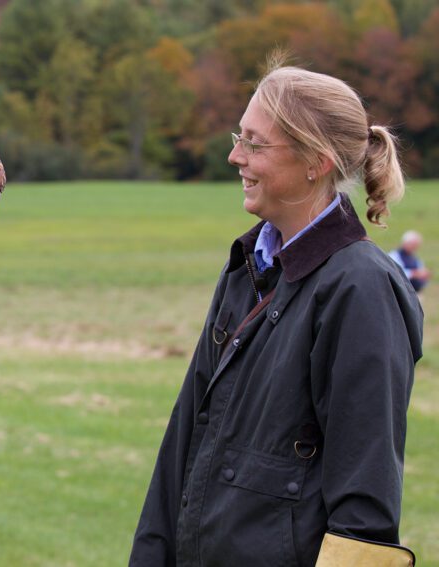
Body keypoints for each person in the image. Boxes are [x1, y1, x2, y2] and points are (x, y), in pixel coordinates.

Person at [130, 64, 423, 566]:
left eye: (255, 143)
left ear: (316, 162)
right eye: (238, 137)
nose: (234, 156)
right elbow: (183, 445)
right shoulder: (247, 267)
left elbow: (365, 510)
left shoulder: (361, 287)